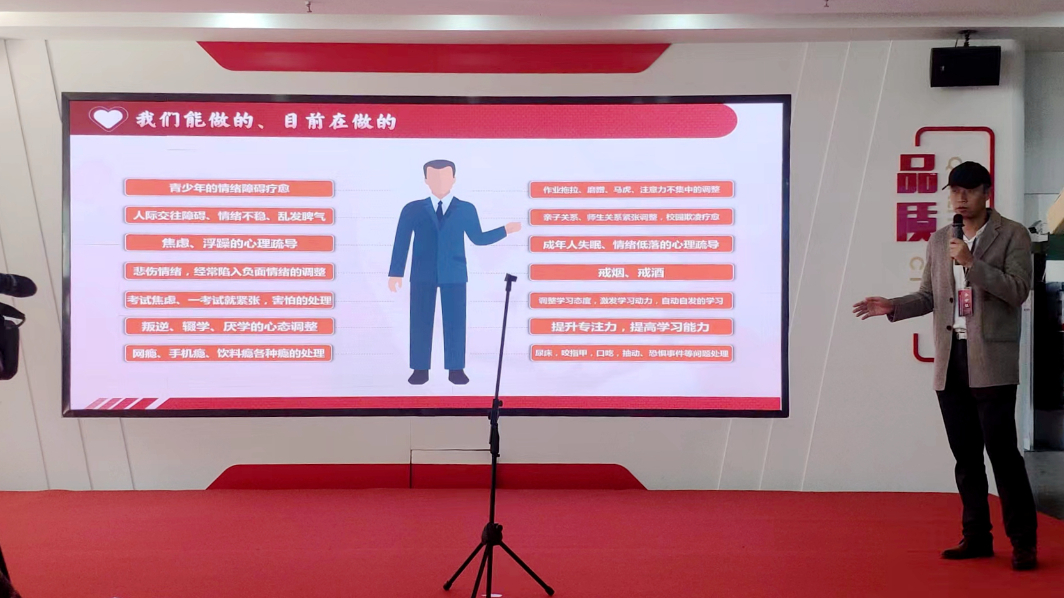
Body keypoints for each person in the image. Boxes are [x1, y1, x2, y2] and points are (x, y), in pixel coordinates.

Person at [853, 161, 1038, 571]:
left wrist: (973, 263)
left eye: (968, 190)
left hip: (991, 360)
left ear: (986, 192)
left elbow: (1018, 290)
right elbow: (929, 297)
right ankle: (976, 537)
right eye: (954, 191)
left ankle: (1023, 541)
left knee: (1003, 455)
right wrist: (893, 306)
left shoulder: (1013, 234)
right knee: (966, 457)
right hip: (951, 359)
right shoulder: (940, 239)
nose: (960, 198)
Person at [388, 160, 521, 385]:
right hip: (422, 274)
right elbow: (402, 240)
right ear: (426, 180)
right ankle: (420, 369)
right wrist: (395, 273)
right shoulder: (412, 209)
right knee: (420, 322)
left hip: (455, 274)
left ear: (454, 179)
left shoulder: (466, 209)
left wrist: (505, 230)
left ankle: (456, 369)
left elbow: (478, 238)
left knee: (455, 323)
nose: (440, 181)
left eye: (445, 177)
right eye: (434, 177)